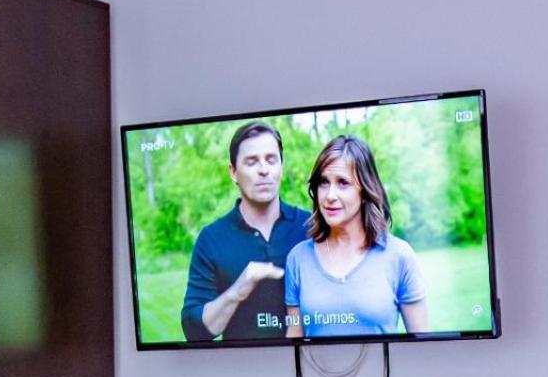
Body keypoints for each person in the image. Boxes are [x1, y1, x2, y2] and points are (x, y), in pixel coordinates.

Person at [284, 136, 428, 339]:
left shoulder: (399, 255)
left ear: (365, 190)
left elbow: (423, 343)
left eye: (343, 183)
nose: (330, 195)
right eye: (324, 182)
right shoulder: (298, 258)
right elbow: (294, 338)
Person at [180, 121, 312, 341]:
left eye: (271, 160)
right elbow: (194, 332)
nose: (264, 170)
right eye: (252, 161)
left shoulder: (310, 227)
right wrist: (237, 291)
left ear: (281, 166)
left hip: (307, 360)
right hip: (241, 362)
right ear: (233, 172)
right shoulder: (211, 239)